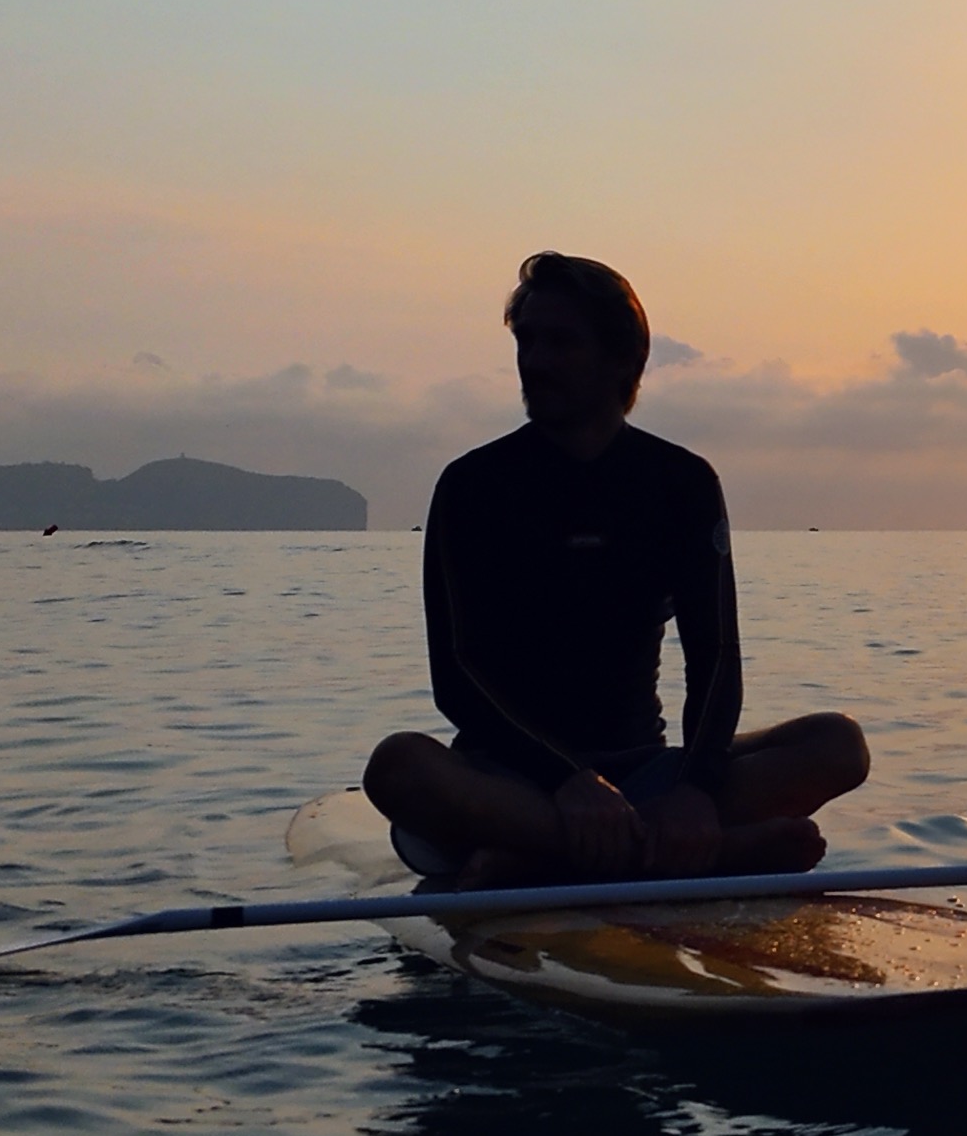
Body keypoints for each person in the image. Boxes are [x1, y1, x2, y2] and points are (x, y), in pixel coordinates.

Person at [364, 253, 869, 885]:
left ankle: (539, 859)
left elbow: (715, 659)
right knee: (398, 766)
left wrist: (696, 792)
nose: (535, 361)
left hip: (644, 775)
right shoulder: (474, 486)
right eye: (527, 340)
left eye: (561, 342)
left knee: (837, 744)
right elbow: (457, 676)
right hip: (511, 779)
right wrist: (569, 781)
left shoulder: (679, 482)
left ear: (622, 358)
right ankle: (699, 855)